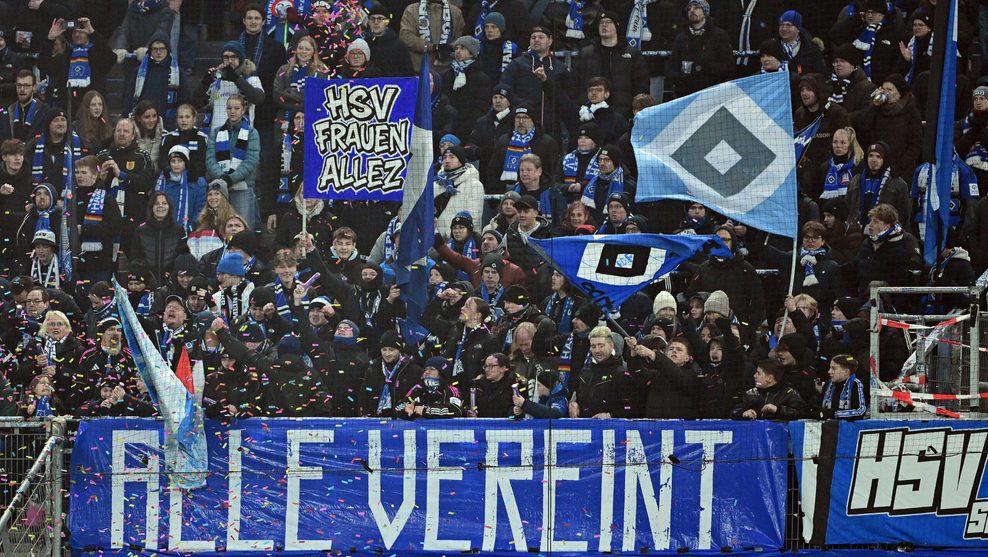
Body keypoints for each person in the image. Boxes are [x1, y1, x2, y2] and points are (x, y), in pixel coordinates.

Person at [570, 11, 649, 118]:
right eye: (601, 22)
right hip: (592, 114)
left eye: (609, 22)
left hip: (623, 113)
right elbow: (574, 84)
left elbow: (641, 84)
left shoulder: (632, 54)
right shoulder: (585, 53)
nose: (604, 25)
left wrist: (634, 109)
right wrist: (581, 106)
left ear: (617, 26)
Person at [96, 118, 156, 255]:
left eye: (126, 131)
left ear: (133, 135)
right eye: (119, 130)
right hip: (107, 218)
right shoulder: (102, 156)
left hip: (134, 217)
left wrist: (121, 175)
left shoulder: (142, 156)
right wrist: (100, 180)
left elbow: (146, 183)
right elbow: (89, 186)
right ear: (114, 133)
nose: (122, 134)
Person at [850, 74, 923, 180]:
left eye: (890, 89)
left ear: (899, 92)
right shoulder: (877, 110)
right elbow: (864, 125)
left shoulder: (911, 112)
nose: (886, 92)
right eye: (883, 89)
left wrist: (900, 165)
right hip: (877, 166)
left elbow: (916, 143)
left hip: (901, 169)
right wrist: (874, 105)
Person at [206, 95, 261, 229]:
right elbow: (210, 159)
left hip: (242, 187)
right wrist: (222, 179)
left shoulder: (252, 133)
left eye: (236, 108)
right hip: (220, 188)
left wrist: (231, 178)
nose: (232, 111)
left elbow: (251, 160)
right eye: (229, 108)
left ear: (243, 110)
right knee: (220, 228)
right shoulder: (216, 132)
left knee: (243, 228)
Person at [39, 17, 115, 112]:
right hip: (68, 108)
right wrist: (50, 39)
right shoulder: (66, 55)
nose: (77, 34)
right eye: (74, 32)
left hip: (93, 108)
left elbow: (111, 58)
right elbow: (44, 65)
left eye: (81, 32)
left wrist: (93, 33)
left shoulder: (96, 53)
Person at [665, 0, 734, 98]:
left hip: (711, 93)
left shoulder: (720, 35)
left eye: (696, 7)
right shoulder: (681, 37)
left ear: (705, 12)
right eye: (689, 8)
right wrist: (680, 77)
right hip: (685, 94)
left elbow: (729, 66)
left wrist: (703, 68)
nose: (692, 10)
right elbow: (671, 67)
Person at [193, 41, 265, 132]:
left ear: (241, 59)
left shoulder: (251, 78)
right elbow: (195, 103)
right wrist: (204, 83)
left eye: (233, 57)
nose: (230, 61)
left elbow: (259, 99)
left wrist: (236, 79)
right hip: (217, 134)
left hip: (242, 135)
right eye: (226, 57)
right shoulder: (216, 81)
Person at [487, 104, 560, 191]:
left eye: (525, 117)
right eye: (518, 117)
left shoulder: (547, 142)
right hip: (506, 193)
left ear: (533, 120)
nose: (521, 121)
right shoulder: (503, 141)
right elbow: (493, 173)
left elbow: (552, 173)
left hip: (536, 192)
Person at [854, 203, 922, 297]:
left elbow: (913, 268)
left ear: (887, 226)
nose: (870, 225)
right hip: (863, 294)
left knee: (875, 285)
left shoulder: (906, 240)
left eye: (876, 222)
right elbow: (855, 266)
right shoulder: (867, 243)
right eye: (870, 221)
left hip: (890, 296)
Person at [828, 0, 900, 85]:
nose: (870, 15)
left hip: (881, 84)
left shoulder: (892, 34)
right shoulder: (858, 32)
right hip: (857, 83)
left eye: (873, 12)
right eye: (867, 12)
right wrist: (857, 18)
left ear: (882, 14)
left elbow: (895, 61)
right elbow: (834, 35)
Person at [628, 335, 701, 419]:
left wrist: (653, 354)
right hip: (654, 427)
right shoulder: (656, 375)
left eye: (679, 349)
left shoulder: (691, 375)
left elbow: (676, 375)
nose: (674, 351)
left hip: (679, 428)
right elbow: (637, 374)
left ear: (687, 358)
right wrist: (633, 352)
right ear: (666, 354)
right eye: (671, 349)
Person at [569, 325, 635, 418]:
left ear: (611, 345)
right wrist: (573, 403)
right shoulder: (584, 373)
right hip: (584, 428)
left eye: (601, 346)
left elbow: (631, 408)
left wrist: (610, 415)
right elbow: (575, 394)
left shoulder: (622, 373)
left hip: (611, 429)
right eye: (593, 346)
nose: (597, 350)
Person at [846, 141, 911, 227]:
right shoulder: (855, 181)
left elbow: (903, 215)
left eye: (878, 157)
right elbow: (848, 207)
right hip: (857, 231)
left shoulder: (898, 184)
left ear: (885, 159)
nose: (874, 160)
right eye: (871, 156)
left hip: (886, 232)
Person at [122, 31, 182, 125]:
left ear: (168, 50)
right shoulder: (139, 72)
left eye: (162, 49)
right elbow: (129, 97)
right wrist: (125, 118)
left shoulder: (178, 72)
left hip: (169, 122)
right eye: (155, 49)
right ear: (150, 51)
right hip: (142, 122)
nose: (158, 52)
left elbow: (184, 99)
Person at [131, 192, 189, 286]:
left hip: (172, 284)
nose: (160, 206)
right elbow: (135, 259)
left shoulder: (179, 230)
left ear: (169, 206)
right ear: (151, 207)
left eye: (164, 203)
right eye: (157, 204)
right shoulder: (141, 230)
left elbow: (183, 258)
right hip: (146, 284)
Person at [360, 329, 422, 416]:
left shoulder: (412, 369)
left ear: (399, 350)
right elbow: (364, 395)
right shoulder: (373, 369)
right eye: (384, 349)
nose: (387, 354)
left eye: (391, 349)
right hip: (376, 419)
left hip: (403, 420)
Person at [273, 35, 330, 123]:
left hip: (312, 118)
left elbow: (318, 96)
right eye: (300, 48)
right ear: (296, 50)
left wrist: (290, 91)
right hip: (285, 118)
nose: (303, 52)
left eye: (307, 49)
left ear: (313, 52)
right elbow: (277, 96)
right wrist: (297, 106)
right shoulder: (284, 69)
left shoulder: (321, 71)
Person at [399, 0, 466, 72]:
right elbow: (406, 37)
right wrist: (433, 47)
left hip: (449, 70)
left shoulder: (455, 12)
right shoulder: (411, 10)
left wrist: (448, 47)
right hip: (420, 71)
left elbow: (462, 38)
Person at [732, 359, 808, 420]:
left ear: (770, 378)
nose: (754, 376)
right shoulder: (750, 394)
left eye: (758, 373)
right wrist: (743, 413)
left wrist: (778, 410)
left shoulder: (789, 394)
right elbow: (734, 411)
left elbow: (802, 413)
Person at [435, 145, 485, 235]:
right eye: (445, 157)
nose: (447, 160)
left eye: (452, 157)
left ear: (461, 161)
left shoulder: (475, 185)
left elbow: (474, 217)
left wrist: (455, 236)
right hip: (438, 241)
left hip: (464, 241)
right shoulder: (436, 184)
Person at [396, 356, 464, 419]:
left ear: (442, 373)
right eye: (426, 369)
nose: (427, 372)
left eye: (432, 369)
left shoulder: (451, 390)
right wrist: (406, 410)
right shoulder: (418, 388)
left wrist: (426, 411)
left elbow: (456, 410)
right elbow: (398, 407)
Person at [469, 351, 527, 418]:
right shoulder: (478, 385)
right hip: (481, 425)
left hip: (506, 426)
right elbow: (468, 405)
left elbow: (520, 410)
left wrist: (514, 413)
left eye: (491, 366)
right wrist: (470, 413)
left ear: (503, 368)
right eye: (485, 366)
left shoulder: (516, 386)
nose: (486, 370)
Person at [159, 104, 209, 181]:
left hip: (194, 180)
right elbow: (162, 161)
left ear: (194, 119)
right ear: (176, 119)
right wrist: (173, 173)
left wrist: (190, 175)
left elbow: (203, 163)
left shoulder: (202, 138)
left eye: (187, 117)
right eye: (180, 117)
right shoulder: (168, 138)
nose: (184, 120)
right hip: (171, 179)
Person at [363, 3, 414, 77]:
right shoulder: (363, 44)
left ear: (387, 22)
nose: (376, 22)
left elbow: (408, 74)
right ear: (368, 22)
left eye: (380, 19)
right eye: (372, 19)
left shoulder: (399, 46)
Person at [814, 353, 867, 420]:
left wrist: (834, 413)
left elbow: (860, 411)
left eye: (833, 368)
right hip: (827, 427)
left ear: (846, 371)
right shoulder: (828, 384)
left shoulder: (856, 384)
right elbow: (821, 409)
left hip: (848, 429)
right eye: (830, 368)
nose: (829, 371)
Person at [3, 70, 51, 143]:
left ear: (34, 87)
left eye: (26, 86)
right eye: (19, 85)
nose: (22, 89)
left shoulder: (44, 110)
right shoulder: (9, 110)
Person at [828, 43, 877, 114]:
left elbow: (867, 113)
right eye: (836, 61)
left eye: (842, 61)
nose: (838, 64)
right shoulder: (827, 85)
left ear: (852, 65)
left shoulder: (868, 88)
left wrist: (843, 119)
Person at [774, 10, 826, 76]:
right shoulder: (772, 47)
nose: (784, 28)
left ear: (798, 28)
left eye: (788, 25)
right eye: (781, 25)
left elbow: (821, 75)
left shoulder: (812, 50)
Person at [476, 12, 517, 87]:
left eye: (493, 27)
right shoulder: (478, 46)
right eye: (486, 27)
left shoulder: (511, 48)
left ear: (501, 28)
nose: (489, 30)